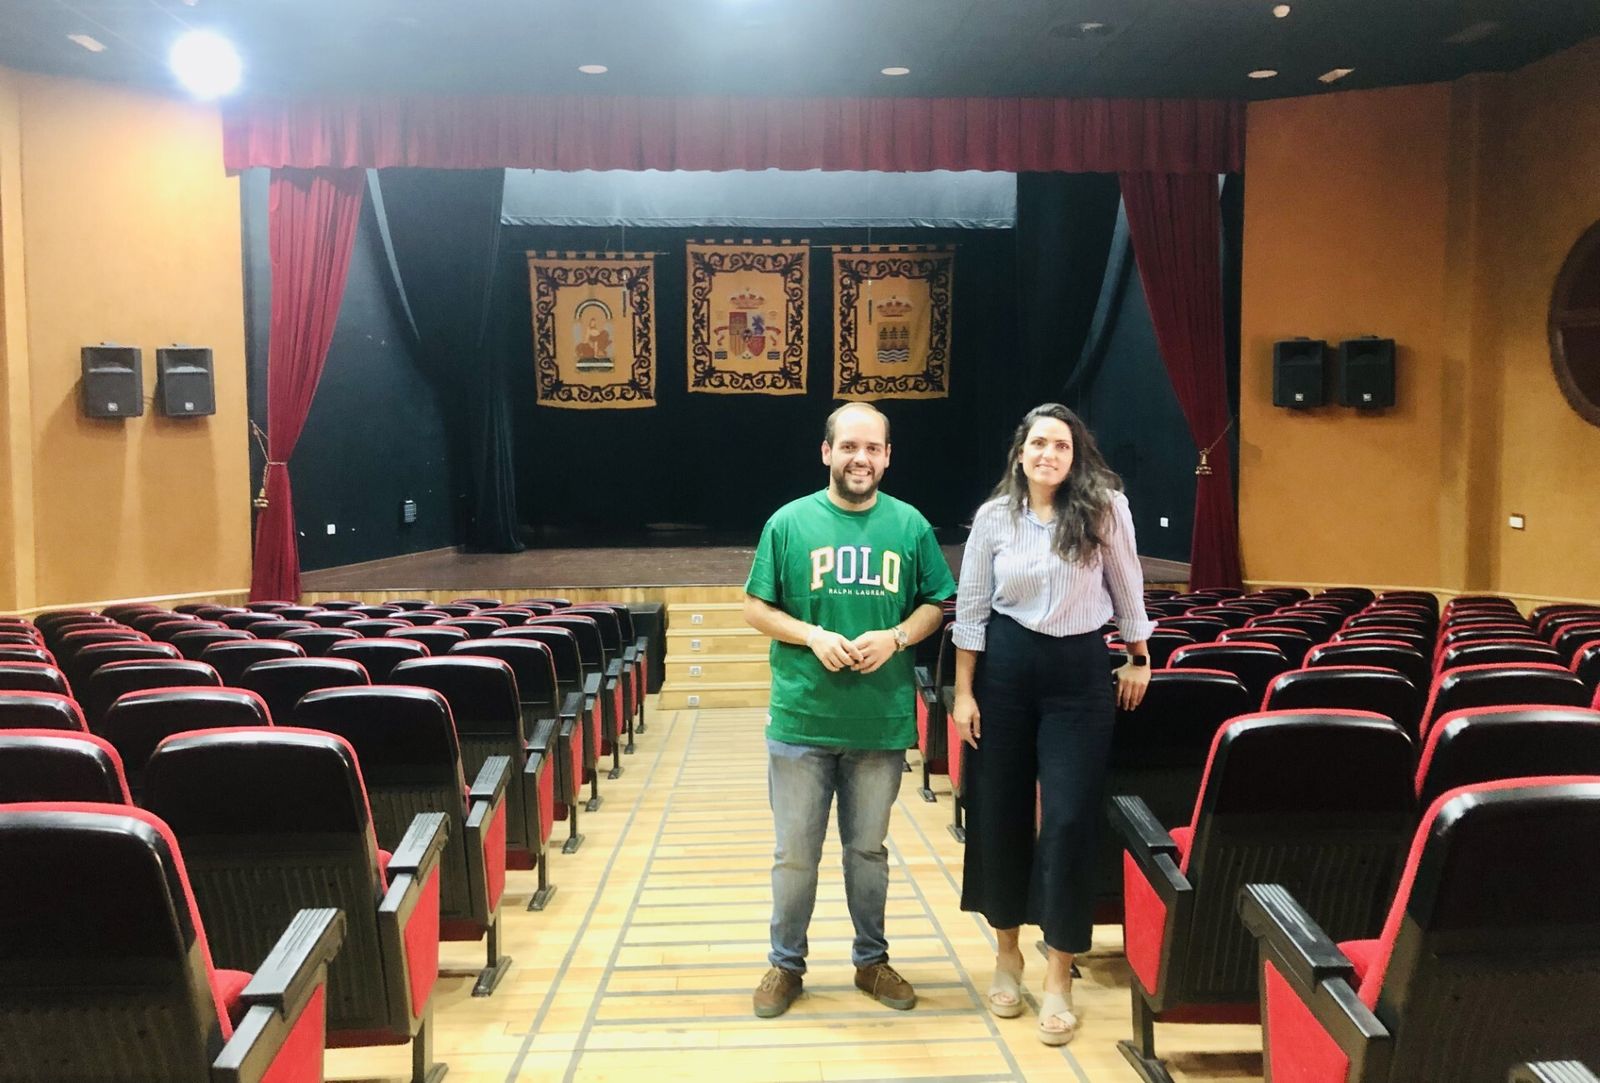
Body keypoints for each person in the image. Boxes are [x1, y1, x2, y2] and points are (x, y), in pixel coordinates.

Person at [744, 401, 956, 1019]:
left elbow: (936, 603)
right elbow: (755, 609)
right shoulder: (788, 523)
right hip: (801, 720)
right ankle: (785, 966)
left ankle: (871, 961)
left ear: (888, 456)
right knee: (794, 855)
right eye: (849, 446)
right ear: (827, 452)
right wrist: (810, 635)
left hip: (879, 722)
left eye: (873, 448)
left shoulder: (911, 526)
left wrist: (895, 637)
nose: (860, 458)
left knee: (868, 852)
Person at [950, 402, 1153, 1046]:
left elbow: (1128, 584)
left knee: (1068, 818)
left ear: (1075, 455)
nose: (1049, 454)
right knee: (1000, 810)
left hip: (1078, 673)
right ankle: (1007, 955)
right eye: (1039, 443)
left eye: (1061, 446)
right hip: (1005, 670)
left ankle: (1061, 973)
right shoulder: (993, 518)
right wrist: (963, 692)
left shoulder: (1105, 509)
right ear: (1021, 452)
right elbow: (973, 608)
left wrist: (1138, 657)